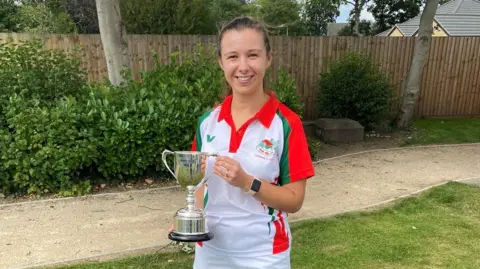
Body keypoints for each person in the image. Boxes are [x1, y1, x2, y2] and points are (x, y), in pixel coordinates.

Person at [186, 16, 315, 268]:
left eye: (253, 55)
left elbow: (294, 201)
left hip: (264, 254)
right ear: (220, 62)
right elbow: (199, 184)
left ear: (268, 58)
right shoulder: (207, 122)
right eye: (233, 56)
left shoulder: (286, 124)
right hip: (210, 251)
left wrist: (248, 182)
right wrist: (191, 217)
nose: (243, 66)